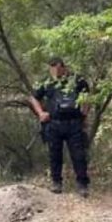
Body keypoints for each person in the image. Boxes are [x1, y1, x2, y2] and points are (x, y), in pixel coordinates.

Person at [29, 57, 90, 196]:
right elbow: (33, 97)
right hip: (54, 123)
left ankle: (82, 184)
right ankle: (56, 182)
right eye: (52, 69)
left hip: (74, 123)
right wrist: (40, 113)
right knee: (54, 154)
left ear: (64, 67)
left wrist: (84, 114)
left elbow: (86, 96)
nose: (55, 72)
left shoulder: (77, 80)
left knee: (79, 155)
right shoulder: (46, 82)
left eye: (58, 68)